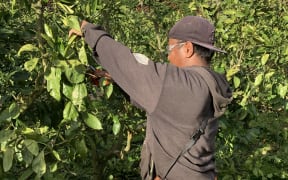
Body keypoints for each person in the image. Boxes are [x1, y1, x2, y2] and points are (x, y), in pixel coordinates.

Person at [69, 16, 232, 180]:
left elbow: (128, 64)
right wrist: (117, 79)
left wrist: (88, 29)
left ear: (188, 48)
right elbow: (158, 102)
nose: (168, 57)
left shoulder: (183, 84)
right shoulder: (207, 84)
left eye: (170, 49)